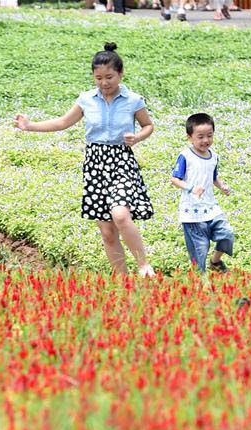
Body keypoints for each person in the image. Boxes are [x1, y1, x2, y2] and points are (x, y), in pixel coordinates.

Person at [14, 43, 156, 278]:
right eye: (98, 77)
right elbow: (61, 123)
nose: (104, 82)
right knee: (108, 232)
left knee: (120, 215)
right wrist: (29, 126)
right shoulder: (86, 99)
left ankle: (143, 264)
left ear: (120, 74)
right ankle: (123, 282)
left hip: (121, 161)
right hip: (95, 164)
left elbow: (148, 125)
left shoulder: (133, 100)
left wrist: (138, 137)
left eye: (109, 77)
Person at [169, 113, 235, 273]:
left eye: (209, 136)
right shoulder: (185, 156)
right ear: (189, 137)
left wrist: (222, 186)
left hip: (211, 207)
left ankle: (216, 261)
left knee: (227, 234)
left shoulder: (214, 156)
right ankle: (199, 280)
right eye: (200, 137)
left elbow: (213, 177)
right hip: (192, 211)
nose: (206, 140)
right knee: (200, 248)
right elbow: (174, 179)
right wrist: (191, 188)